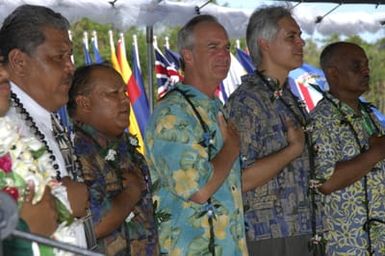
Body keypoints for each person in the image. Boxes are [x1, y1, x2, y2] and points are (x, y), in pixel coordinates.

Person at [145, 14, 248, 255]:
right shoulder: (173, 114)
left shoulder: (214, 107)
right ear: (188, 55)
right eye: (213, 47)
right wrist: (231, 148)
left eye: (226, 47)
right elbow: (198, 190)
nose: (224, 55)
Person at [225, 6, 323, 256]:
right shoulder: (247, 102)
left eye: (299, 35)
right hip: (268, 236)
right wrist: (293, 150)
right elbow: (237, 180)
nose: (301, 42)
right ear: (264, 44)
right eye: (291, 36)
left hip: (305, 230)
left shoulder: (288, 97)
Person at [0, 4, 90, 249]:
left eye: (70, 56)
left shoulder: (45, 116)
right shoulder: (6, 125)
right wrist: (62, 204)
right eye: (58, 57)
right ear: (18, 61)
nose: (71, 66)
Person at [68, 64, 160, 256]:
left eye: (124, 92)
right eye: (113, 94)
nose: (125, 100)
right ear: (84, 103)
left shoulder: (127, 148)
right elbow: (94, 226)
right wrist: (131, 193)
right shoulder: (77, 152)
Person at [311, 42, 385, 256]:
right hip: (347, 245)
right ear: (333, 74)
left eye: (366, 65)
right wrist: (375, 154)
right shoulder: (320, 119)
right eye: (356, 66)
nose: (366, 70)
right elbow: (325, 182)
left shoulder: (369, 114)